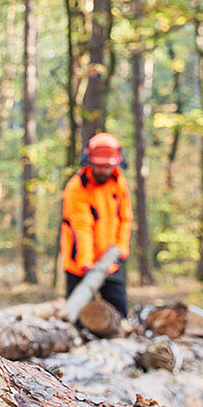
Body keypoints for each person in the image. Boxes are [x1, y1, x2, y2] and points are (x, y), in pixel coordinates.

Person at [61, 132, 133, 318]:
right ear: (90, 162)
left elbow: (125, 218)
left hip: (111, 261)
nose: (104, 171)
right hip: (79, 264)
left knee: (119, 314)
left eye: (108, 167)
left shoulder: (119, 183)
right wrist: (86, 261)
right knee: (76, 317)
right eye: (100, 166)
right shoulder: (77, 187)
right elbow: (81, 226)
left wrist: (121, 246)